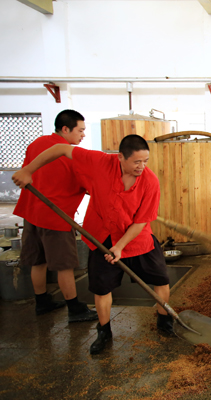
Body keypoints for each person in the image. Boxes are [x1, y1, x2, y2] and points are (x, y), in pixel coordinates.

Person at [12, 134, 173, 355]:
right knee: (101, 287)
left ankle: (165, 322)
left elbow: (141, 221)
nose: (142, 166)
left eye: (145, 161)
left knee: (161, 280)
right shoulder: (98, 162)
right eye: (137, 162)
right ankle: (104, 331)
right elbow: (60, 148)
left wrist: (120, 247)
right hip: (102, 237)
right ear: (120, 158)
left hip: (137, 239)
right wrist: (28, 170)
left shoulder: (150, 181)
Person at [13, 110, 98, 323]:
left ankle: (42, 302)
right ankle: (75, 309)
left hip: (30, 212)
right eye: (81, 130)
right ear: (66, 129)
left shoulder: (36, 144)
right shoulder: (71, 155)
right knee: (64, 265)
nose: (83, 135)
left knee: (38, 261)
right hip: (55, 217)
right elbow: (90, 187)